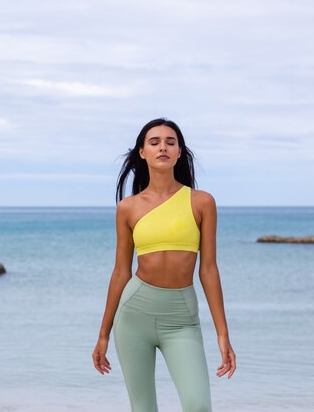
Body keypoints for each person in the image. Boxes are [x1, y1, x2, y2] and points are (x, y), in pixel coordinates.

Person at [92, 118, 236, 412]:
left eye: (171, 142)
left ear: (179, 152)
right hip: (134, 315)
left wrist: (223, 333)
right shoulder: (128, 208)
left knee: (198, 405)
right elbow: (121, 271)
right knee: (143, 408)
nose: (163, 147)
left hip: (181, 318)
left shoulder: (201, 202)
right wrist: (103, 334)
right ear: (142, 152)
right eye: (154, 142)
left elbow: (208, 269)